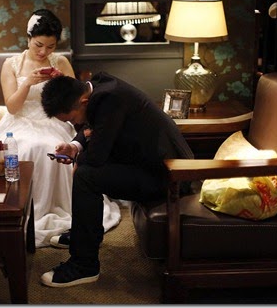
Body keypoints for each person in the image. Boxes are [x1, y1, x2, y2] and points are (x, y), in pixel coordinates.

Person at [39, 72, 194, 287]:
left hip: (169, 175)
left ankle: (84, 266)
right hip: (146, 163)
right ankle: (86, 235)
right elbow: (92, 129)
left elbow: (96, 157)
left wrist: (77, 160)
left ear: (83, 101)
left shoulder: (109, 99)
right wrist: (74, 146)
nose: (76, 124)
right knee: (85, 171)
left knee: (85, 176)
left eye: (72, 119)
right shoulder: (97, 87)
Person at [0, 9, 121, 248]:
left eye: (50, 46)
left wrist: (61, 82)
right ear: (28, 38)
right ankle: (19, 212)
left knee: (51, 148)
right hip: (19, 122)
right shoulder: (11, 65)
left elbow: (77, 100)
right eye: (38, 45)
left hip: (53, 120)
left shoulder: (60, 61)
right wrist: (28, 82)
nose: (43, 52)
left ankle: (62, 208)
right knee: (24, 148)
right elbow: (13, 107)